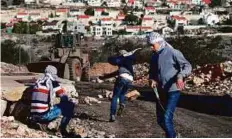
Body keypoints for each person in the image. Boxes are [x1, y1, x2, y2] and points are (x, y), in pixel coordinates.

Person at [147, 32, 192, 138]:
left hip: (173, 90)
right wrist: (151, 80)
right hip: (161, 91)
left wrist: (180, 76)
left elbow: (187, 66)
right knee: (160, 120)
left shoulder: (173, 52)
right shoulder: (154, 57)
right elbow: (152, 73)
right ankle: (173, 136)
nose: (151, 48)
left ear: (159, 42)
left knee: (167, 118)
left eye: (152, 45)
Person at [28, 65, 74, 136]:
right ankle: (63, 129)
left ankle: (37, 122)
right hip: (44, 116)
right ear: (53, 74)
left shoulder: (38, 81)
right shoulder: (52, 82)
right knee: (70, 105)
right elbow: (64, 98)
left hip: (32, 115)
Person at [100, 48, 141, 122]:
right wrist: (104, 77)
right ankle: (122, 103)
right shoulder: (129, 63)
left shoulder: (121, 60)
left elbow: (114, 69)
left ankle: (112, 115)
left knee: (115, 96)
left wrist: (103, 77)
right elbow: (117, 72)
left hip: (122, 78)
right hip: (130, 79)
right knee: (122, 94)